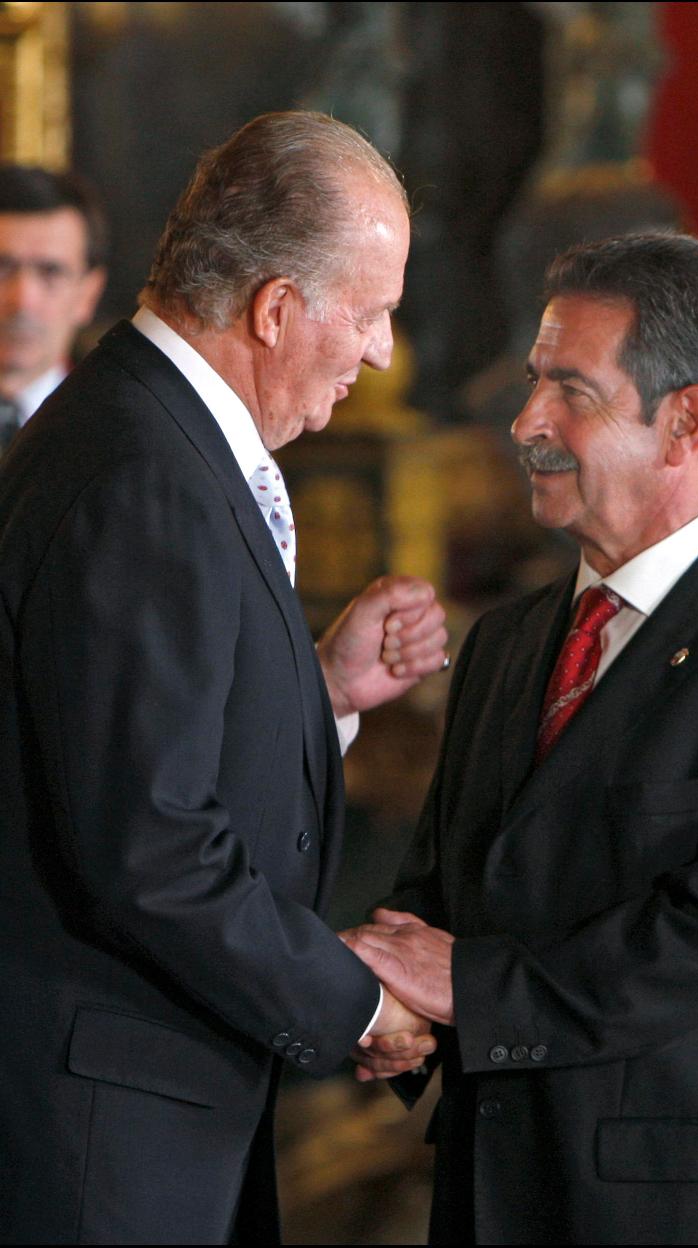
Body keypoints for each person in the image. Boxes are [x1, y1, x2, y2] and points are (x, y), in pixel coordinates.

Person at [340, 232, 698, 1244]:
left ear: (687, 422)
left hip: (688, 1212)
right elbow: (438, 896)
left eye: (572, 392)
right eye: (533, 383)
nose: (527, 423)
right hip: (495, 1195)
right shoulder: (505, 643)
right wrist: (393, 1017)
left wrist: (465, 989)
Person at [0, 112, 450, 1243]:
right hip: (99, 1137)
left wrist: (319, 693)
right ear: (276, 309)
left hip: (133, 1112)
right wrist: (355, 1004)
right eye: (372, 312)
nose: (381, 352)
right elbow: (150, 843)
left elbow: (129, 739)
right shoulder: (145, 472)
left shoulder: (148, 431)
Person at [0, 165, 107, 452]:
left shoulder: (117, 431)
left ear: (89, 293)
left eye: (51, 272)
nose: (23, 300)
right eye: (2, 268)